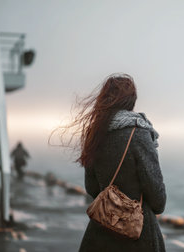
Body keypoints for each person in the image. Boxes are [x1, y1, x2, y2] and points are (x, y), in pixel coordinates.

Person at [71, 73, 166, 252]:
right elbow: (158, 199)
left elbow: (92, 187)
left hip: (100, 234)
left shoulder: (95, 133)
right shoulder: (139, 132)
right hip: (138, 234)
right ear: (131, 100)